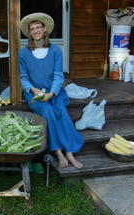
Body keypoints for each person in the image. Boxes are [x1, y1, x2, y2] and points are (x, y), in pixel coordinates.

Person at [18, 13, 84, 169]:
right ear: (29, 33)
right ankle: (58, 152)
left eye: (38, 27)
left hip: (55, 92)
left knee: (62, 112)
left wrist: (52, 93)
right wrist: (34, 91)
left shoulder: (55, 51)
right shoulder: (24, 53)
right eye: (32, 29)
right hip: (35, 94)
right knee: (48, 112)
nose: (35, 31)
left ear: (44, 29)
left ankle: (69, 152)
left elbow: (58, 76)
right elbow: (24, 77)